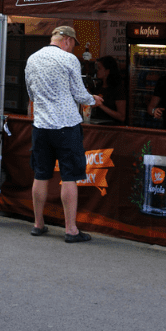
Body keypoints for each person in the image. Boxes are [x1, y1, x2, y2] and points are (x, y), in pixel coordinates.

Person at [24, 25, 103, 243]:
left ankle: (38, 224)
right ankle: (71, 230)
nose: (72, 49)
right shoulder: (69, 60)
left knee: (40, 174)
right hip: (66, 126)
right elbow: (79, 93)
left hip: (41, 127)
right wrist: (92, 100)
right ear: (66, 40)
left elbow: (30, 92)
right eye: (72, 45)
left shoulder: (32, 59)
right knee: (69, 176)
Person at [91, 56, 127, 125]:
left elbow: (122, 117)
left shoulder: (118, 89)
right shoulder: (97, 87)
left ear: (107, 71)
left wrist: (101, 105)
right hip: (97, 127)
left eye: (99, 68)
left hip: (113, 129)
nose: (97, 71)